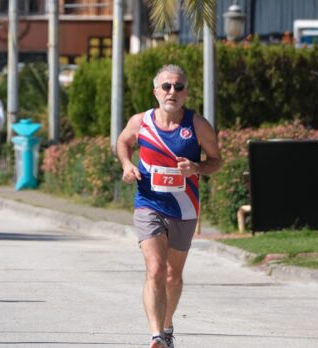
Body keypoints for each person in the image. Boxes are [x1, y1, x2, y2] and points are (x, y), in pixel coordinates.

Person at [115, 64, 222, 348]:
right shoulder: (141, 122)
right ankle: (156, 336)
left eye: (178, 87)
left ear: (186, 93)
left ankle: (167, 325)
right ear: (156, 92)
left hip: (185, 208)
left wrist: (196, 167)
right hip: (148, 202)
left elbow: (217, 161)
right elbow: (123, 142)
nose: (171, 91)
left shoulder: (197, 125)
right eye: (166, 86)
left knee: (173, 275)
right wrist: (127, 165)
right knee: (155, 269)